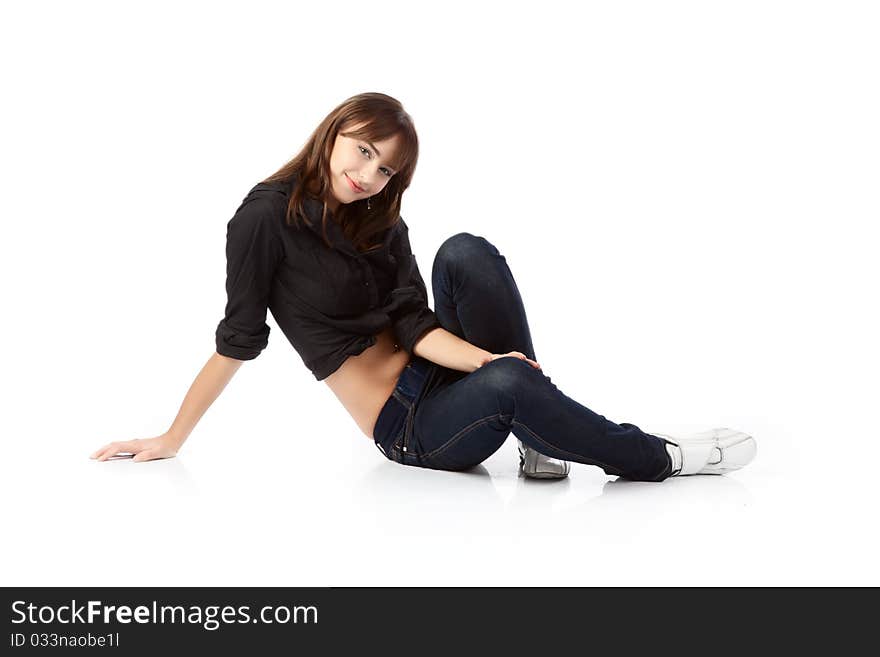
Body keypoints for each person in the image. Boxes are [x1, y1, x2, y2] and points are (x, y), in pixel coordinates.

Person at [90, 92, 757, 481]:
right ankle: (661, 457)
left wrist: (492, 362)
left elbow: (415, 322)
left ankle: (535, 438)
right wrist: (172, 435)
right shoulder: (265, 217)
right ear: (333, 134)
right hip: (410, 425)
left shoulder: (380, 220)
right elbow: (238, 339)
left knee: (465, 253)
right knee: (509, 385)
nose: (369, 174)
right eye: (363, 150)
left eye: (386, 169)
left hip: (440, 376)